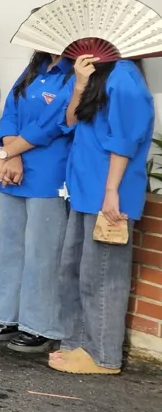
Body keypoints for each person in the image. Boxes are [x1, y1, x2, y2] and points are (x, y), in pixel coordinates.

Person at [49, 52, 156, 374]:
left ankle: (103, 355)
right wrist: (80, 84)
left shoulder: (125, 77)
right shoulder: (95, 75)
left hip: (109, 193)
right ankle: (77, 342)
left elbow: (124, 140)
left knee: (103, 275)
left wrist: (111, 192)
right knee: (74, 271)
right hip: (84, 190)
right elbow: (69, 122)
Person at [0, 50, 74, 350]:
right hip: (14, 171)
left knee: (42, 253)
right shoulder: (36, 69)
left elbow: (55, 121)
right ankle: (6, 316)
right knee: (6, 247)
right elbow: (10, 112)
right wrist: (10, 153)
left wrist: (10, 152)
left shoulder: (75, 75)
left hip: (50, 173)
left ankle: (40, 326)